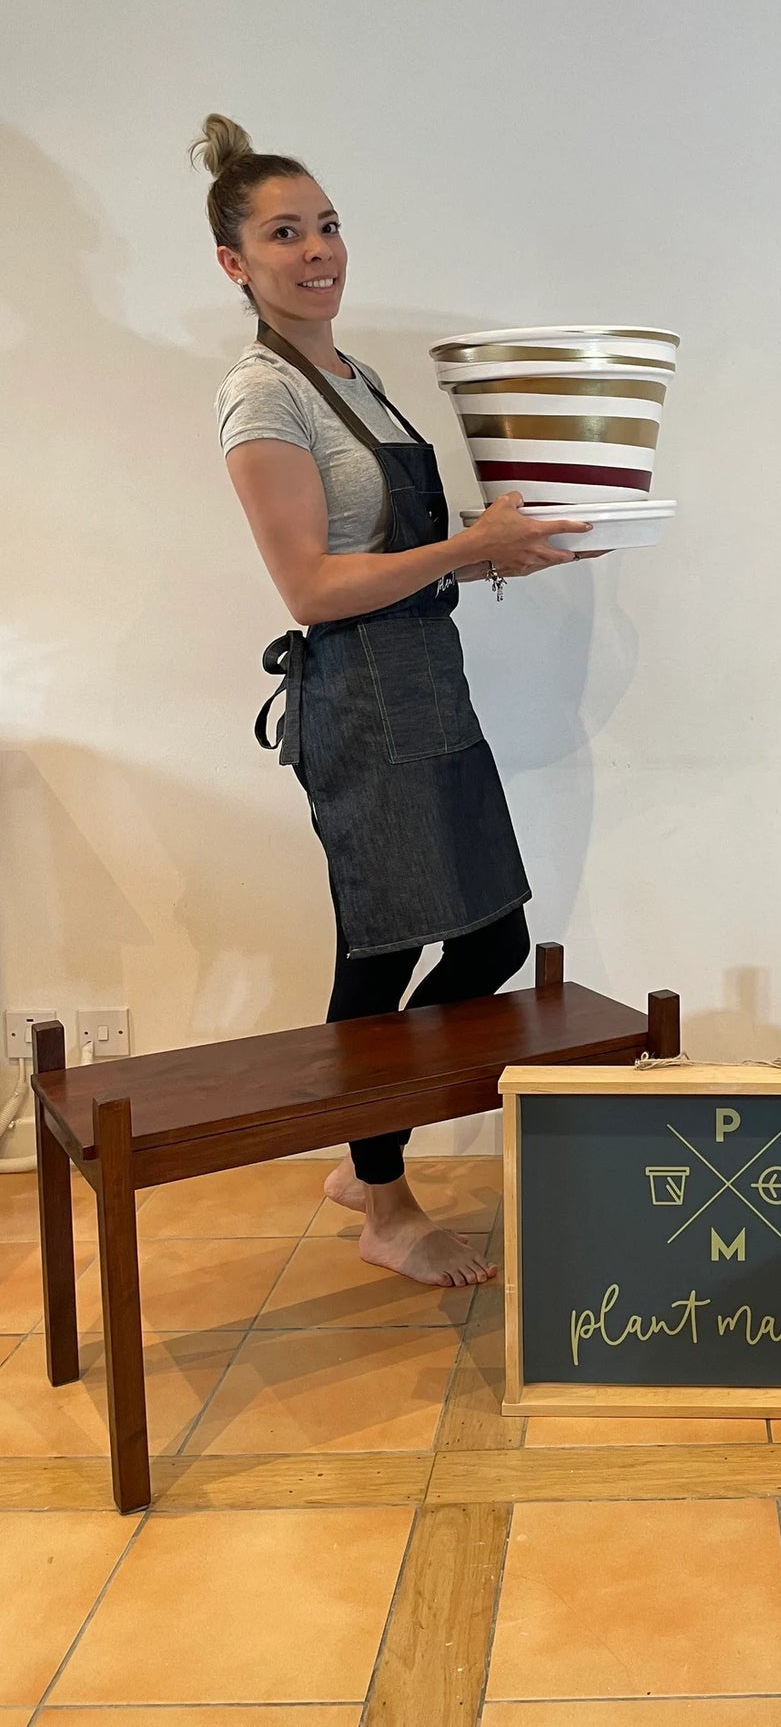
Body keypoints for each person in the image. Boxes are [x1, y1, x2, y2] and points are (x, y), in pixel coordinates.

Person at [196, 113, 588, 1287]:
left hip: (428, 680)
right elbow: (312, 587)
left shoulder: (353, 377)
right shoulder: (263, 397)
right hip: (362, 699)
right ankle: (382, 1194)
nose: (317, 250)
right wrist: (468, 542)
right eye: (283, 233)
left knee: (495, 935)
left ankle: (365, 1157)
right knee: (382, 947)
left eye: (326, 225)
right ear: (235, 265)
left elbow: (397, 549)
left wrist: (492, 553)